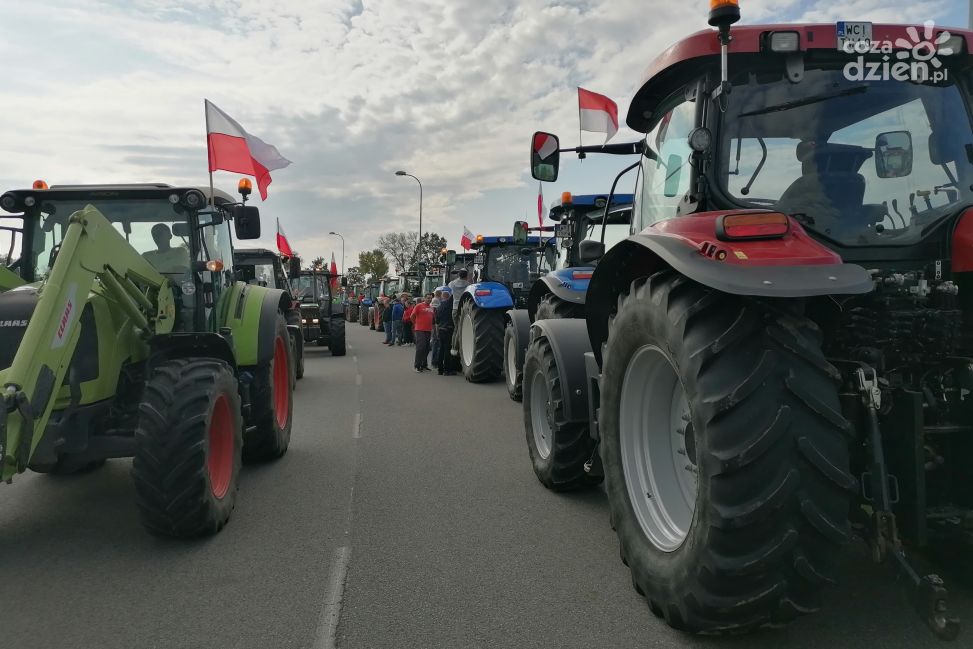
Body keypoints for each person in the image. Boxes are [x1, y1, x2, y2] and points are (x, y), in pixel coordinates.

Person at [448, 269, 470, 357]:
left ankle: (453, 347)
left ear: (458, 275)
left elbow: (449, 289)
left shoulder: (452, 283)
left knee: (456, 328)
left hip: (454, 308)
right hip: (463, 307)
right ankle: (457, 348)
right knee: (461, 328)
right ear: (466, 276)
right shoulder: (468, 285)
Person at [411, 293, 435, 372]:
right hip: (420, 329)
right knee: (420, 348)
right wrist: (415, 324)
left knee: (427, 348)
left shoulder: (431, 308)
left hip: (428, 330)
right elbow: (412, 316)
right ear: (424, 298)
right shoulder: (419, 306)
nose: (429, 299)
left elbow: (432, 319)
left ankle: (424, 365)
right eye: (428, 298)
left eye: (431, 298)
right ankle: (417, 366)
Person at [436, 288, 456, 375]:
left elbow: (437, 320)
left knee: (441, 349)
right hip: (448, 329)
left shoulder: (439, 306)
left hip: (441, 329)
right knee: (447, 350)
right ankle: (447, 370)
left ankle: (440, 369)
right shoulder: (450, 305)